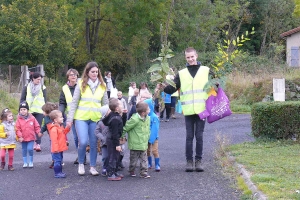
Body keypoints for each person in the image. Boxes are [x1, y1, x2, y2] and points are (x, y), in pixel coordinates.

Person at [163, 47, 213, 172]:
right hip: (188, 109)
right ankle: (189, 161)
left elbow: (214, 86)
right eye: (188, 57)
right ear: (185, 58)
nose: (190, 59)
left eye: (192, 56)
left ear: (196, 56)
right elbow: (173, 88)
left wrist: (216, 87)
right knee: (189, 136)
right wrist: (163, 87)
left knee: (199, 136)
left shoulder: (206, 71)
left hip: (202, 109)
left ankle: (199, 160)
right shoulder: (181, 73)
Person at [66, 61, 108, 176]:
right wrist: (70, 119)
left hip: (95, 119)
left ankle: (93, 167)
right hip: (81, 118)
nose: (95, 73)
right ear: (88, 72)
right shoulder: (80, 83)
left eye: (96, 71)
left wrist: (107, 119)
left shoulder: (102, 85)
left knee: (94, 143)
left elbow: (105, 104)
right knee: (83, 142)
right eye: (92, 72)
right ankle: (81, 164)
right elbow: (74, 102)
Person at [121, 101, 151, 178]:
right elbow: (125, 128)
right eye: (148, 109)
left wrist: (148, 136)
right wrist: (121, 137)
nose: (149, 110)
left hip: (144, 143)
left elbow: (148, 129)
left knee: (144, 159)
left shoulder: (148, 118)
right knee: (133, 160)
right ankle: (131, 170)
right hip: (135, 144)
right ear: (143, 113)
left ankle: (143, 172)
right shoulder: (134, 119)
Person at [59, 68, 80, 164]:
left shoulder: (81, 86)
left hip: (82, 115)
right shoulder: (64, 88)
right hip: (72, 116)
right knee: (76, 137)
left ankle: (82, 155)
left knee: (83, 137)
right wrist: (60, 113)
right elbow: (62, 103)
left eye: (75, 74)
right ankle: (81, 155)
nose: (74, 76)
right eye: (71, 75)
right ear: (68, 77)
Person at [20, 72, 46, 152]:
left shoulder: (42, 87)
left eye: (40, 79)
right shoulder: (26, 87)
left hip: (39, 111)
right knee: (29, 128)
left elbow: (45, 99)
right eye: (38, 79)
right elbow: (22, 99)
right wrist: (20, 110)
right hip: (29, 111)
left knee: (37, 127)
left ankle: (38, 144)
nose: (39, 81)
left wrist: (46, 111)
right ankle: (30, 143)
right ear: (33, 79)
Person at [102, 98, 124, 181]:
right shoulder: (115, 119)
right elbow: (114, 133)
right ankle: (111, 174)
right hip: (112, 140)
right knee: (113, 157)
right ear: (117, 108)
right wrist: (117, 145)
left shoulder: (114, 114)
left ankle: (115, 172)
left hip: (113, 139)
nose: (122, 105)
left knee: (116, 156)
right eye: (120, 104)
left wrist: (124, 115)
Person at [16, 101, 41, 168]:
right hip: (23, 138)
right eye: (21, 110)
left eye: (24, 109)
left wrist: (38, 132)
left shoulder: (32, 118)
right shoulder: (18, 119)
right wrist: (20, 136)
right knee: (24, 150)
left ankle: (31, 161)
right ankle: (25, 162)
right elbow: (17, 129)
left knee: (30, 149)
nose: (23, 111)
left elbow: (37, 126)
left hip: (31, 137)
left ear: (27, 110)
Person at [47, 110, 71, 178]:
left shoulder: (59, 127)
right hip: (56, 149)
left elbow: (63, 133)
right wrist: (56, 149)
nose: (62, 118)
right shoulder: (54, 129)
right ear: (55, 120)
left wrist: (68, 127)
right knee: (57, 161)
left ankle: (59, 172)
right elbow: (54, 140)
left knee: (59, 160)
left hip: (59, 149)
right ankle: (57, 173)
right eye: (60, 117)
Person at [38, 102, 59, 168]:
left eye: (43, 111)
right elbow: (45, 126)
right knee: (52, 149)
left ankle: (58, 160)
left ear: (47, 111)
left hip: (57, 136)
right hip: (51, 136)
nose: (42, 113)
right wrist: (41, 132)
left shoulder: (55, 118)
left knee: (58, 149)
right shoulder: (46, 118)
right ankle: (54, 161)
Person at [144, 99, 161, 172]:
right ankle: (149, 164)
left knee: (154, 151)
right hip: (146, 136)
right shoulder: (145, 116)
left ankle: (157, 164)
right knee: (147, 151)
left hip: (154, 137)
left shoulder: (154, 117)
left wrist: (151, 139)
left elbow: (155, 129)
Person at [94, 105, 110, 176]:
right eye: (109, 110)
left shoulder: (113, 119)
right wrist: (103, 138)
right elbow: (97, 132)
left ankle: (112, 168)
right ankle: (105, 167)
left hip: (112, 141)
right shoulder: (100, 122)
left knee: (113, 156)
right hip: (104, 143)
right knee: (105, 156)